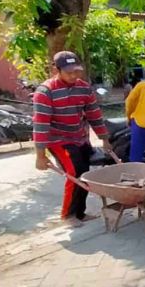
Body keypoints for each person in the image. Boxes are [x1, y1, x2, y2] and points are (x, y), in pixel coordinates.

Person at [33, 51, 111, 227]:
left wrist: (104, 139)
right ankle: (68, 215)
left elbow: (94, 115)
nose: (74, 75)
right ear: (57, 70)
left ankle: (80, 213)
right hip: (58, 139)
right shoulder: (45, 92)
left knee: (85, 173)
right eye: (69, 72)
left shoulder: (84, 88)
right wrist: (40, 155)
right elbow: (41, 125)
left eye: (77, 71)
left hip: (80, 137)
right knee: (75, 172)